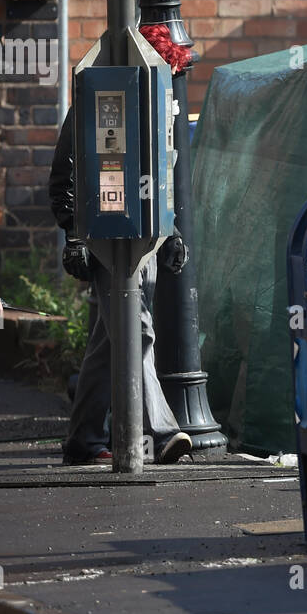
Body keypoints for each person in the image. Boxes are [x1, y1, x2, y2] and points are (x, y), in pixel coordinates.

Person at [49, 105, 193, 466]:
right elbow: (63, 174)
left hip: (145, 237)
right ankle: (160, 433)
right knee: (136, 331)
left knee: (107, 344)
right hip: (107, 239)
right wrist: (75, 234)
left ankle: (84, 439)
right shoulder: (96, 99)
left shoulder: (153, 100)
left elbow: (157, 175)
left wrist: (170, 234)